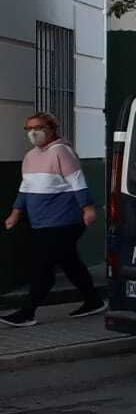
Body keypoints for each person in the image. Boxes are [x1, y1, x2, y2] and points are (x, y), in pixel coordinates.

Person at [2, 112, 104, 328]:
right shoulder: (31, 156)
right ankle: (93, 301)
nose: (32, 133)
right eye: (28, 128)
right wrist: (15, 213)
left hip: (63, 221)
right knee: (70, 263)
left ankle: (27, 312)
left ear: (51, 128)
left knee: (43, 266)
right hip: (42, 222)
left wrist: (87, 209)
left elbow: (77, 182)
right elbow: (26, 187)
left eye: (37, 127)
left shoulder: (61, 151)